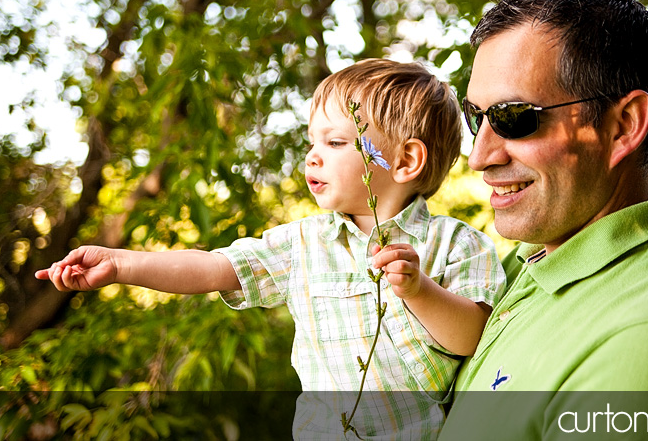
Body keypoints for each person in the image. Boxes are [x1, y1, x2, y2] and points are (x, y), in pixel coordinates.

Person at [37, 58, 506, 440]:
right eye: (312, 142)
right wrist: (122, 263)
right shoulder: (303, 244)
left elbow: (473, 338)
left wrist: (420, 290)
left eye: (336, 141)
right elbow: (214, 269)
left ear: (404, 160)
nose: (312, 156)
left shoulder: (456, 244)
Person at [439, 0, 648, 440]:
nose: (480, 155)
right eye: (476, 117)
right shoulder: (527, 262)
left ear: (623, 126)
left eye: (513, 118)